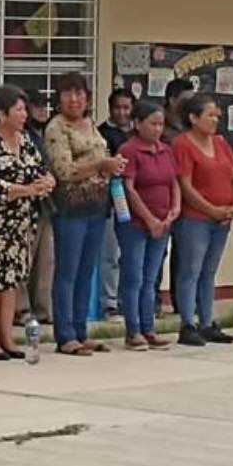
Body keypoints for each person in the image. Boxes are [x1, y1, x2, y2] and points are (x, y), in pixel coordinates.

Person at [0, 85, 54, 359]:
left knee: (11, 282)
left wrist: (47, 182)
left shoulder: (26, 140)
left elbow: (42, 170)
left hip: (21, 224)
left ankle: (6, 337)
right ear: (1, 113)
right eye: (18, 109)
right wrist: (27, 190)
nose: (24, 114)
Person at [45, 72, 124, 356]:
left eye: (79, 93)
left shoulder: (91, 124)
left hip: (97, 206)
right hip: (70, 208)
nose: (74, 99)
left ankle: (81, 330)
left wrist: (111, 165)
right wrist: (102, 164)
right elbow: (64, 171)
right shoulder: (57, 128)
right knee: (67, 272)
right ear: (59, 99)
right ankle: (65, 334)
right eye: (68, 94)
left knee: (86, 272)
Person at [173, 94, 233, 346]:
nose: (216, 119)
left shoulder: (221, 143)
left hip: (222, 218)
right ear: (193, 118)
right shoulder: (183, 144)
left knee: (209, 271)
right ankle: (187, 323)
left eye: (216, 114)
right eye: (209, 115)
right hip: (195, 218)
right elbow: (186, 186)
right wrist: (212, 209)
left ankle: (207, 321)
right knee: (191, 269)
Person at [116, 100, 179, 350]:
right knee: (134, 277)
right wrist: (149, 219)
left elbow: (173, 182)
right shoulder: (129, 150)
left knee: (151, 277)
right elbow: (128, 188)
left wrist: (174, 210)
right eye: (152, 123)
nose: (157, 129)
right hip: (136, 224)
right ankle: (133, 331)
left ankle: (148, 326)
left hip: (163, 222)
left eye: (160, 124)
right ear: (137, 124)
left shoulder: (165, 150)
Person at [98, 87, 135, 322]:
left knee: (130, 255)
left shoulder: (138, 133)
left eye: (126, 108)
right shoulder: (101, 134)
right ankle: (109, 303)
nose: (122, 112)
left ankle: (128, 300)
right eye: (117, 108)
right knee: (110, 255)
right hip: (112, 201)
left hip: (137, 203)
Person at [160, 77, 196, 316]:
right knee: (158, 251)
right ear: (172, 100)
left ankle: (181, 302)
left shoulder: (192, 126)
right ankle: (152, 302)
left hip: (189, 199)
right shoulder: (159, 125)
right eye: (185, 101)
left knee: (184, 253)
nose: (189, 106)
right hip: (163, 196)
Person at [19, 91, 55, 326]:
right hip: (25, 204)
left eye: (45, 106)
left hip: (46, 204)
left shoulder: (48, 133)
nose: (42, 110)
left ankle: (42, 310)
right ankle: (21, 310)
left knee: (46, 261)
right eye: (37, 106)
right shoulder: (23, 135)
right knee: (24, 260)